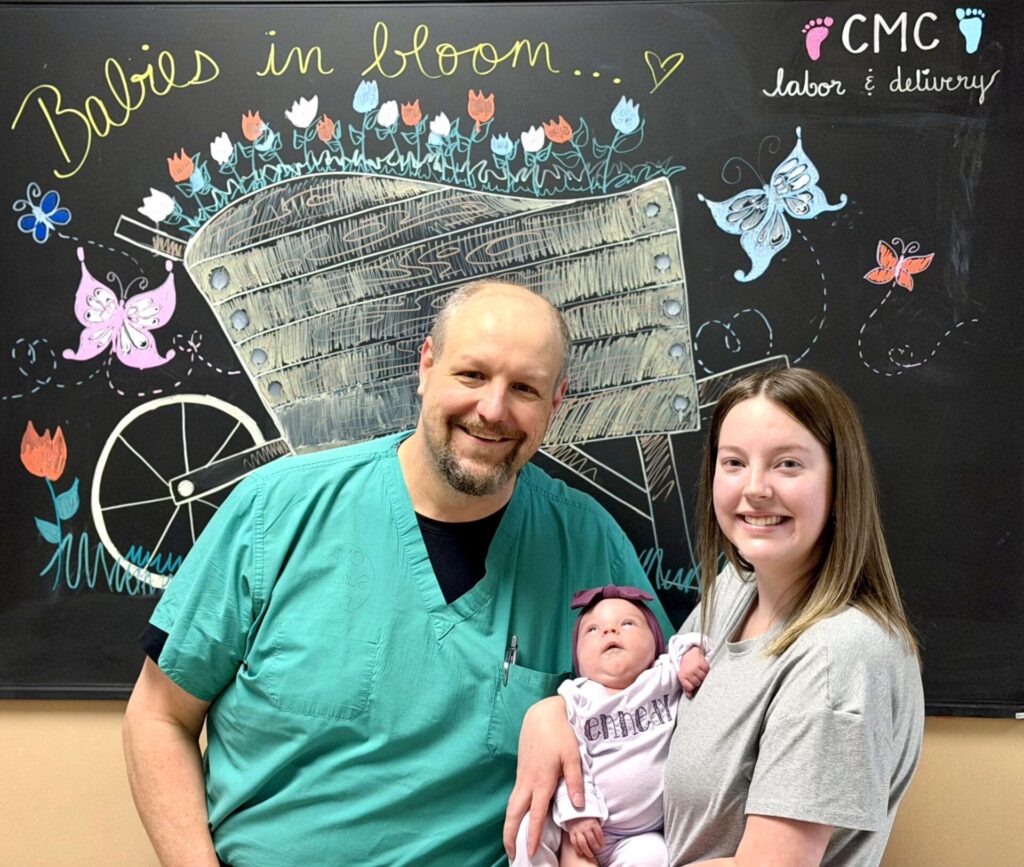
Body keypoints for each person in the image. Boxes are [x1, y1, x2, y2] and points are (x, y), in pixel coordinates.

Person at [122, 280, 671, 867]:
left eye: (525, 389)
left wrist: (558, 710)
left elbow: (670, 716)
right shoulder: (275, 510)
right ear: (426, 364)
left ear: (556, 402)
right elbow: (159, 716)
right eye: (472, 375)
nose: (492, 409)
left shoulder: (586, 544)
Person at [505, 367, 924, 867]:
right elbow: (640, 691)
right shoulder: (735, 591)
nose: (755, 489)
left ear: (840, 480)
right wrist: (551, 714)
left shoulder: (838, 656)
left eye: (788, 464)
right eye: (734, 463)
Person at [510, 585, 708, 867]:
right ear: (578, 659)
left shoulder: (662, 677)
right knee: (529, 827)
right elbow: (570, 763)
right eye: (592, 630)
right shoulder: (577, 697)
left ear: (655, 642)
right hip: (578, 819)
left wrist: (690, 659)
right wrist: (578, 813)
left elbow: (689, 640)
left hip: (637, 835)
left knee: (656, 856)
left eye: (627, 624)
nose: (609, 632)